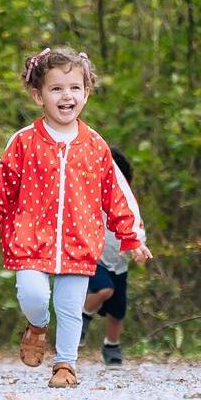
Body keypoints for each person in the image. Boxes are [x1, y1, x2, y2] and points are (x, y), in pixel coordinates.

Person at [0, 46, 152, 388]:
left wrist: (132, 237)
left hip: (79, 242)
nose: (66, 96)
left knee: (70, 307)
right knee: (34, 296)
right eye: (56, 89)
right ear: (38, 95)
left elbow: (116, 195)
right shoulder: (24, 142)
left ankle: (65, 365)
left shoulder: (96, 146)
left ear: (86, 92)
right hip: (29, 240)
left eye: (74, 88)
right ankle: (37, 325)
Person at [79, 148, 144, 367]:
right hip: (93, 259)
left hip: (119, 262)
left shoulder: (128, 203)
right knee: (104, 289)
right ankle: (82, 317)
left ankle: (111, 345)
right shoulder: (90, 199)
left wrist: (138, 246)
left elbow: (137, 226)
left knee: (118, 311)